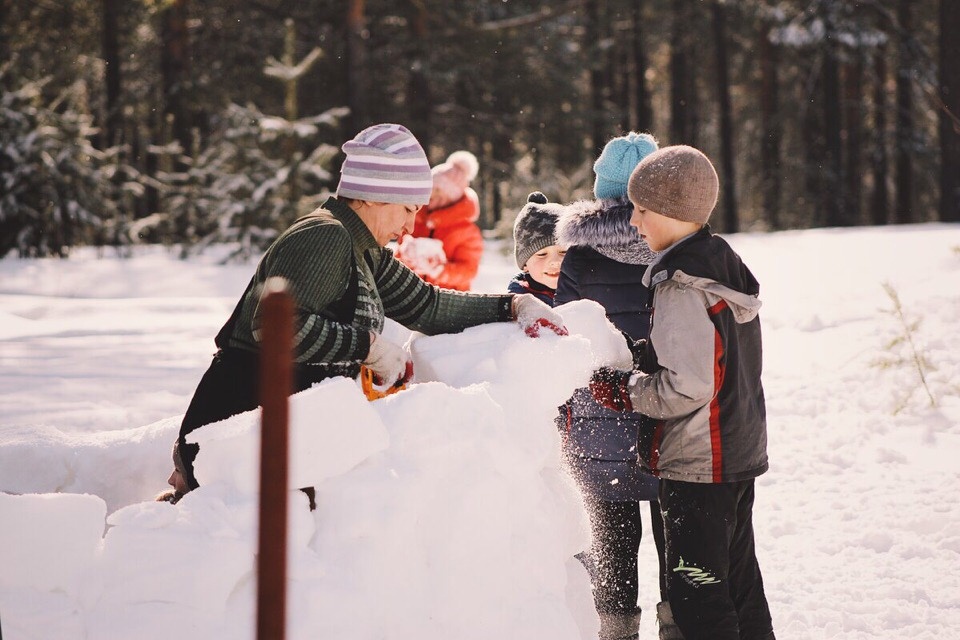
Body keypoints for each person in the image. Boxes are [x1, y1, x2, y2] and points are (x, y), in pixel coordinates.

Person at [165, 124, 565, 500]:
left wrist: (511, 305)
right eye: (408, 209)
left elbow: (427, 306)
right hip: (237, 431)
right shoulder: (324, 237)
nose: (412, 226)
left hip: (273, 438)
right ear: (373, 194)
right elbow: (275, 329)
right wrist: (368, 347)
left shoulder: (363, 250)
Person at [589, 145, 775, 640]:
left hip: (699, 462)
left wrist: (628, 391)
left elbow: (685, 386)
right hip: (734, 452)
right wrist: (640, 355)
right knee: (738, 584)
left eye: (642, 210)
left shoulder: (680, 284)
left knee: (697, 597)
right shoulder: (719, 265)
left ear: (671, 213)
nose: (634, 222)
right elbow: (708, 357)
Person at [553, 132, 670, 640]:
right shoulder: (670, 250)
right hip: (665, 421)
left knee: (612, 548)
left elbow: (563, 339)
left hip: (598, 425)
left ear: (601, 192)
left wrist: (563, 414)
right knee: (677, 544)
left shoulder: (578, 258)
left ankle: (616, 631)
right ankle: (680, 624)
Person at [396, 150, 484, 291]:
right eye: (430, 188)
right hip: (411, 296)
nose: (430, 194)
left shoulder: (467, 231)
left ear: (451, 196)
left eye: (437, 190)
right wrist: (404, 253)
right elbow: (398, 257)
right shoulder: (416, 217)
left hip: (450, 301)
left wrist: (440, 270)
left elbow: (468, 271)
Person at [507, 192, 566, 306]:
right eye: (542, 254)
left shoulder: (588, 293)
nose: (554, 262)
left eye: (563, 252)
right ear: (525, 265)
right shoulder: (516, 305)